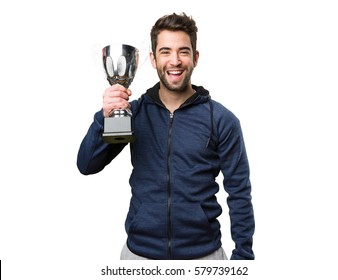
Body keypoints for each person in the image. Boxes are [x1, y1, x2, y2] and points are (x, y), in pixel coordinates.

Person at [77, 12, 255, 260]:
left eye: (183, 51)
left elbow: (239, 193)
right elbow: (87, 165)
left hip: (204, 257)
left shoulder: (221, 119)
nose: (175, 61)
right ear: (152, 58)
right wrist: (104, 118)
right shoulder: (133, 114)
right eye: (165, 51)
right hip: (139, 256)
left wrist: (243, 258)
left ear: (195, 57)